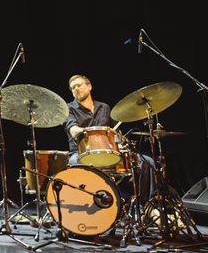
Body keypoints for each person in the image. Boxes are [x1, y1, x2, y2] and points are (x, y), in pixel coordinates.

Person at [63, 74, 154, 203]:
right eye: (73, 87)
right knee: (74, 163)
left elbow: (113, 133)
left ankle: (147, 205)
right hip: (80, 153)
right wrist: (82, 131)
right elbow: (72, 129)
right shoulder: (69, 109)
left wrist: (120, 142)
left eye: (79, 85)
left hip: (108, 152)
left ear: (89, 86)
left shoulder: (104, 107)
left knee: (147, 161)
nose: (76, 89)